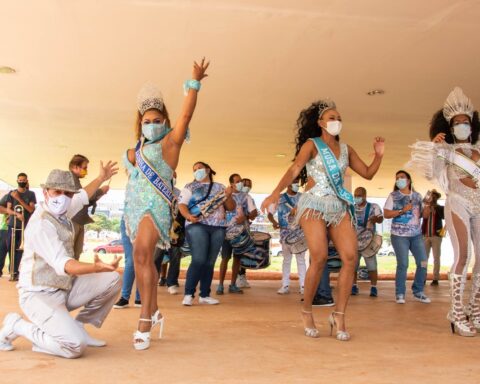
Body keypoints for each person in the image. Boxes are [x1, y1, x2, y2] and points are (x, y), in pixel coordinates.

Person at [261, 99, 384, 341]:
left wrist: (379, 156)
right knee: (319, 256)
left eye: (339, 118)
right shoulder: (312, 145)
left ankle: (339, 315)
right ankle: (307, 311)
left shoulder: (347, 150)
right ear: (320, 123)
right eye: (332, 118)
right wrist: (276, 191)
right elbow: (296, 168)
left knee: (350, 257)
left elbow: (368, 174)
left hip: (338, 206)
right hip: (314, 204)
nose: (337, 122)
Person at [123, 58, 209, 350]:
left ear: (165, 122)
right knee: (141, 259)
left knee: (142, 253)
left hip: (155, 206)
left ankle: (145, 317)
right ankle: (155, 310)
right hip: (134, 207)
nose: (151, 125)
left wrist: (194, 84)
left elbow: (186, 116)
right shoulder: (138, 149)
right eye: (146, 122)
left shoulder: (170, 143)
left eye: (156, 121)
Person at [0, 166, 121, 358]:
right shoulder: (41, 224)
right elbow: (64, 264)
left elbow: (82, 195)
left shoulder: (62, 209)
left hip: (63, 288)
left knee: (112, 279)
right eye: (57, 191)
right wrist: (94, 268)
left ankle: (79, 326)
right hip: (38, 295)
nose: (63, 197)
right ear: (46, 192)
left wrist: (100, 178)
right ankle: (18, 326)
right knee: (74, 347)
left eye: (67, 193)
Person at [409, 87, 480, 336]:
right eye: (457, 122)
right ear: (450, 127)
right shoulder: (445, 151)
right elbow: (430, 173)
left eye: (466, 122)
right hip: (458, 203)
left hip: (479, 205)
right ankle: (457, 312)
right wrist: (435, 148)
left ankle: (476, 309)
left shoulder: (479, 150)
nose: (462, 125)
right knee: (463, 256)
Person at [178, 162, 235, 305]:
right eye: (194, 170)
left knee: (210, 262)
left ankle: (205, 294)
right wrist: (188, 216)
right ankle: (188, 294)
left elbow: (231, 207)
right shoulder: (189, 187)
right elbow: (182, 205)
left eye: (199, 168)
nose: (197, 171)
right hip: (197, 225)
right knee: (199, 259)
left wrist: (228, 196)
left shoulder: (220, 187)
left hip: (218, 227)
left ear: (208, 170)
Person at [383, 170, 431, 305]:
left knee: (423, 262)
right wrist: (402, 210)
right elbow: (386, 214)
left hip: (416, 236)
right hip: (399, 236)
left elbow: (424, 215)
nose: (399, 180)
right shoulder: (393, 196)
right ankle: (400, 294)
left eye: (402, 177)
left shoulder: (417, 196)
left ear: (409, 181)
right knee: (403, 264)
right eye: (397, 178)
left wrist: (427, 205)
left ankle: (418, 291)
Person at [217, 174, 255, 294]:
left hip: (241, 235)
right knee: (225, 258)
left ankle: (233, 284)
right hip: (226, 233)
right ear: (231, 184)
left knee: (237, 259)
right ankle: (220, 285)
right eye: (238, 181)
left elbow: (254, 213)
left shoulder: (246, 197)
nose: (241, 184)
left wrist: (246, 217)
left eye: (241, 181)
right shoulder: (224, 195)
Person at [267, 178, 306, 295]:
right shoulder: (279, 198)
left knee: (300, 260)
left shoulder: (303, 197)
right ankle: (285, 285)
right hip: (285, 233)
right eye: (294, 183)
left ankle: (303, 286)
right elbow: (269, 213)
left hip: (299, 233)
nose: (296, 185)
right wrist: (274, 222)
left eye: (297, 184)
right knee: (287, 260)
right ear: (288, 185)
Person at [69, 154, 109, 259]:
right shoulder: (70, 179)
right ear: (75, 167)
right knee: (71, 253)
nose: (86, 171)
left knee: (76, 252)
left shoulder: (75, 180)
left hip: (78, 220)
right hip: (74, 220)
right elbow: (82, 197)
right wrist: (101, 191)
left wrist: (100, 193)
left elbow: (85, 201)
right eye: (84, 168)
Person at [351, 187, 383, 297]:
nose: (356, 198)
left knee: (372, 266)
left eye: (359, 195)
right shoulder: (351, 207)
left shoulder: (374, 207)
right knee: (353, 265)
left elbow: (381, 218)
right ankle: (354, 286)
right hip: (354, 241)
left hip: (368, 242)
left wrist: (374, 219)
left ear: (364, 196)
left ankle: (373, 288)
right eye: (355, 195)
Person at [5, 172, 37, 281]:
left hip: (25, 226)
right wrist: (16, 214)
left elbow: (30, 209)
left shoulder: (31, 194)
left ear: (27, 181)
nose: (21, 182)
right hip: (12, 225)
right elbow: (8, 209)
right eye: (20, 180)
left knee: (21, 250)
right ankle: (13, 271)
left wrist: (18, 199)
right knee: (11, 248)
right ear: (17, 180)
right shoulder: (11, 193)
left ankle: (17, 272)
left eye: (23, 180)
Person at [113, 216, 141, 308]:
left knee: (143, 260)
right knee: (131, 260)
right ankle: (125, 298)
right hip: (128, 219)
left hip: (147, 219)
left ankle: (140, 298)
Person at [236, 177, 257, 289]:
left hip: (244, 229)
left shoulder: (249, 198)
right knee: (228, 256)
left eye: (249, 185)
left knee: (242, 254)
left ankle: (241, 276)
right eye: (245, 184)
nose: (247, 187)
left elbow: (254, 213)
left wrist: (246, 216)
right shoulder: (232, 196)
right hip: (230, 230)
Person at [421, 189, 444, 286]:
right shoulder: (425, 207)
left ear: (437, 198)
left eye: (434, 196)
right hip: (425, 236)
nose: (432, 198)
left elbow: (444, 216)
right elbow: (422, 215)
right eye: (431, 196)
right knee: (423, 258)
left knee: (436, 257)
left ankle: (435, 278)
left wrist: (436, 209)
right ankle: (422, 278)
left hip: (436, 236)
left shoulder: (440, 208)